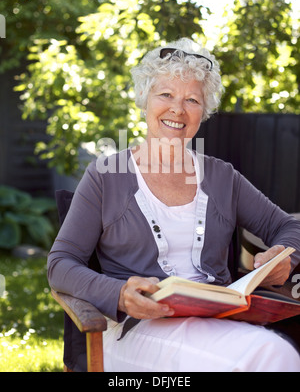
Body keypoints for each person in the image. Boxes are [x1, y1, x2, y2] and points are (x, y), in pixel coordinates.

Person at [48, 37, 300, 372]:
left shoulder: (222, 177)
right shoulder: (106, 176)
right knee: (270, 355)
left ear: (203, 111)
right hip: (135, 333)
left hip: (216, 324)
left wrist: (286, 254)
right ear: (144, 99)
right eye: (165, 94)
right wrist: (119, 293)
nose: (177, 109)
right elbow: (60, 264)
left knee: (272, 352)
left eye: (192, 100)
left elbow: (290, 226)